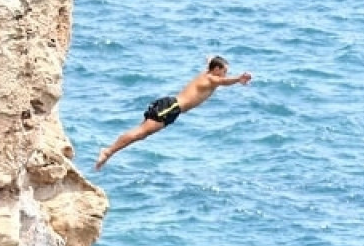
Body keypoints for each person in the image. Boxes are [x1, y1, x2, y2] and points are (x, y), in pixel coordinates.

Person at [95, 56, 252, 169]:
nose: (225, 74)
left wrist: (210, 59)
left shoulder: (206, 73)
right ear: (216, 70)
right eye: (224, 71)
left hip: (171, 107)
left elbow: (210, 60)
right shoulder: (211, 78)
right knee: (140, 132)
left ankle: (109, 152)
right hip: (172, 107)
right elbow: (223, 81)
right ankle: (107, 151)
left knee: (142, 134)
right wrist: (238, 79)